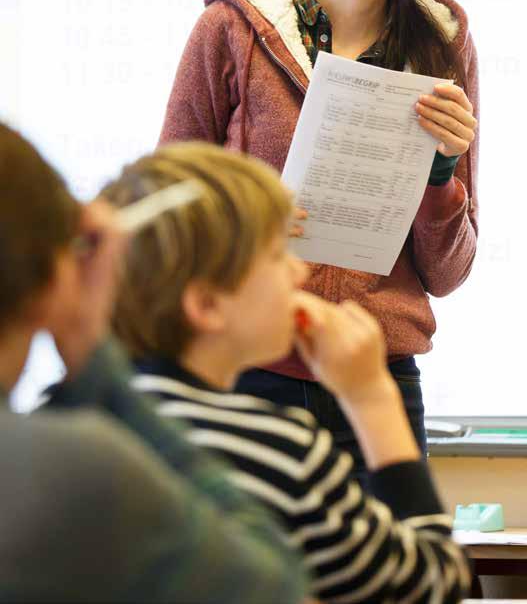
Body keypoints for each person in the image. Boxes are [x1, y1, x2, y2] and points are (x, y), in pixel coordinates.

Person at [158, 0, 479, 458]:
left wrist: (442, 174)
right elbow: (162, 219)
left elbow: (448, 273)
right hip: (246, 374)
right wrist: (248, 225)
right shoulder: (233, 30)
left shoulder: (444, 41)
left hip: (379, 378)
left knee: (388, 562)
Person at [97, 140, 471, 603]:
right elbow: (434, 587)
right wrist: (372, 399)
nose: (298, 275)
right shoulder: (281, 451)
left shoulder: (70, 422)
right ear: (207, 305)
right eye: (277, 256)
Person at [0, 121, 307, 603]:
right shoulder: (70, 464)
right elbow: (273, 587)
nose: (299, 270)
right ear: (54, 282)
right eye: (277, 254)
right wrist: (92, 350)